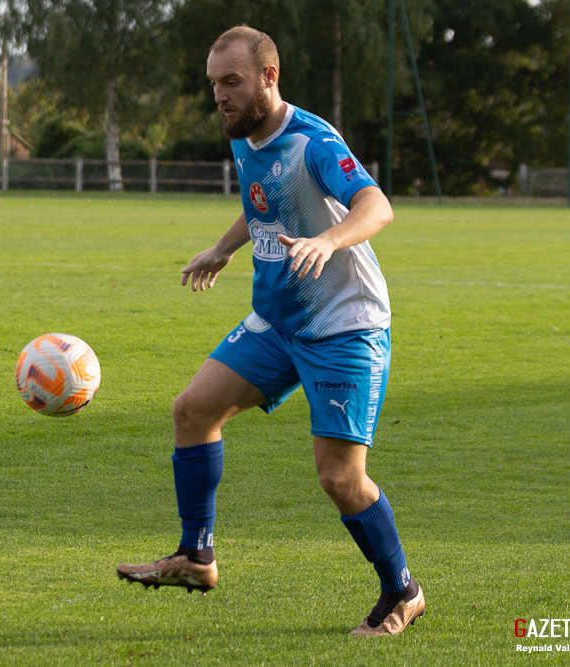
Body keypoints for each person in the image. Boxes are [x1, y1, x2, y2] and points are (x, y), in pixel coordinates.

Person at [116, 25, 424, 637]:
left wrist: (326, 239)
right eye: (213, 85)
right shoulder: (245, 132)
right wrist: (224, 247)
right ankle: (196, 557)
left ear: (269, 77)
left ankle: (402, 591)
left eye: (231, 82)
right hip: (279, 320)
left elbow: (376, 205)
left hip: (343, 328)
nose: (220, 96)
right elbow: (263, 198)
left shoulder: (312, 142)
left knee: (340, 478)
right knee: (192, 410)